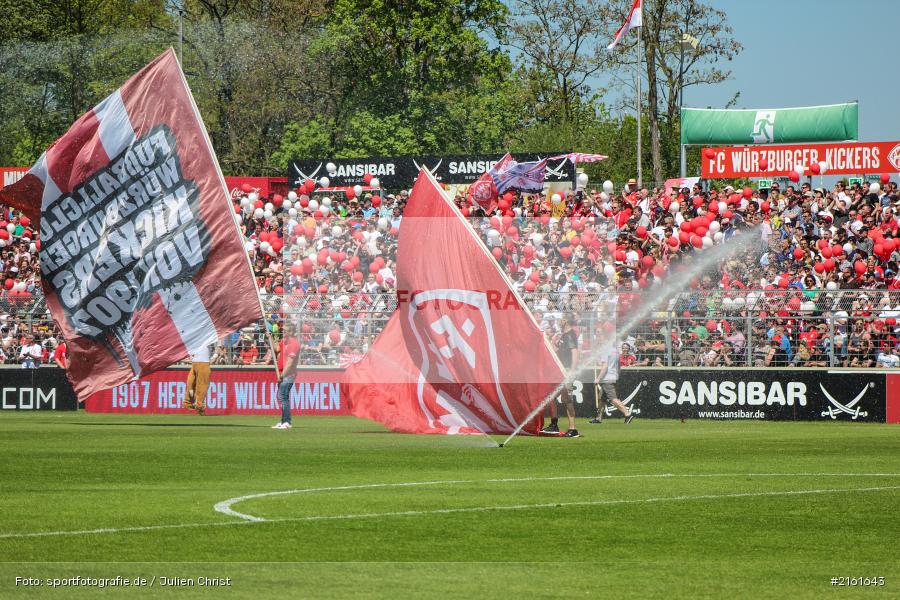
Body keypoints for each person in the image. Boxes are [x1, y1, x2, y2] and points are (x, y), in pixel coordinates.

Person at [542, 317, 579, 438]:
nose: (559, 321)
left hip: (567, 371)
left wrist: (572, 371)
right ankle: (554, 424)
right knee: (552, 396)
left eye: (561, 319)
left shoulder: (570, 335)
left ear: (566, 321)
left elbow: (574, 352)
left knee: (567, 400)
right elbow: (558, 352)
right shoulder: (564, 335)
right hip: (561, 371)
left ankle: (573, 429)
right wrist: (551, 342)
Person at [590, 342, 635, 424]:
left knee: (613, 399)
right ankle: (598, 418)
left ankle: (627, 414)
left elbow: (605, 366)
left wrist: (598, 378)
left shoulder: (606, 351)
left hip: (607, 378)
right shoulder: (616, 352)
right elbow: (618, 366)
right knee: (601, 398)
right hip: (613, 377)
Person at [273, 322, 301, 430]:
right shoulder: (284, 342)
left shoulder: (294, 344)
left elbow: (290, 362)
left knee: (283, 397)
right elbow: (276, 349)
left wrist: (282, 375)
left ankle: (287, 421)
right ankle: (283, 421)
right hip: (283, 374)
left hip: (288, 374)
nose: (283, 332)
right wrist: (270, 338)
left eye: (285, 331)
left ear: (291, 332)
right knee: (282, 397)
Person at [184, 343, 212, 415]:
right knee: (193, 384)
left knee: (196, 385)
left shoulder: (208, 336)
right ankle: (193, 405)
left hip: (202, 361)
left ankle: (195, 405)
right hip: (199, 362)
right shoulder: (207, 335)